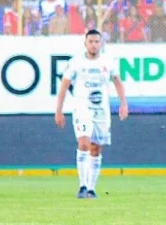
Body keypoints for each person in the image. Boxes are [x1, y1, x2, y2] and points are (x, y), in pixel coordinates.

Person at [55, 30, 129, 199]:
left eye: (97, 42)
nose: (94, 45)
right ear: (85, 43)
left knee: (96, 148)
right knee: (83, 143)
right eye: (91, 41)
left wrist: (123, 104)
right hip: (82, 107)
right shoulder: (76, 62)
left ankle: (91, 188)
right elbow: (64, 86)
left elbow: (118, 82)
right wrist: (58, 110)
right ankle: (82, 186)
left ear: (101, 43)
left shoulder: (108, 62)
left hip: (101, 110)